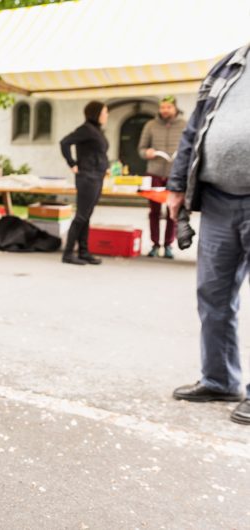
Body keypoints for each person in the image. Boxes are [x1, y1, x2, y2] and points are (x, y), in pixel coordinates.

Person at [168, 43, 250, 424]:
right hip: (218, 197)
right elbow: (195, 128)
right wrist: (176, 185)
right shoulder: (229, 65)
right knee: (213, 294)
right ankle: (219, 379)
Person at [59, 101, 109, 266]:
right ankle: (68, 253)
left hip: (96, 175)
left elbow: (96, 153)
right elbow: (64, 142)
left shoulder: (96, 130)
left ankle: (83, 252)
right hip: (88, 177)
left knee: (86, 216)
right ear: (96, 114)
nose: (106, 115)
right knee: (81, 216)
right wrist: (72, 163)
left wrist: (104, 167)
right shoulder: (86, 129)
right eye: (104, 112)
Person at [138, 96, 186, 259]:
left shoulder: (184, 125)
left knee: (173, 210)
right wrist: (147, 153)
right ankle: (154, 244)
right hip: (155, 172)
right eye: (162, 107)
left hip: (176, 173)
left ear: (175, 108)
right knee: (154, 211)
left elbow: (191, 147)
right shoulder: (150, 125)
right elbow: (141, 149)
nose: (165, 110)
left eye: (168, 107)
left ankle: (168, 245)